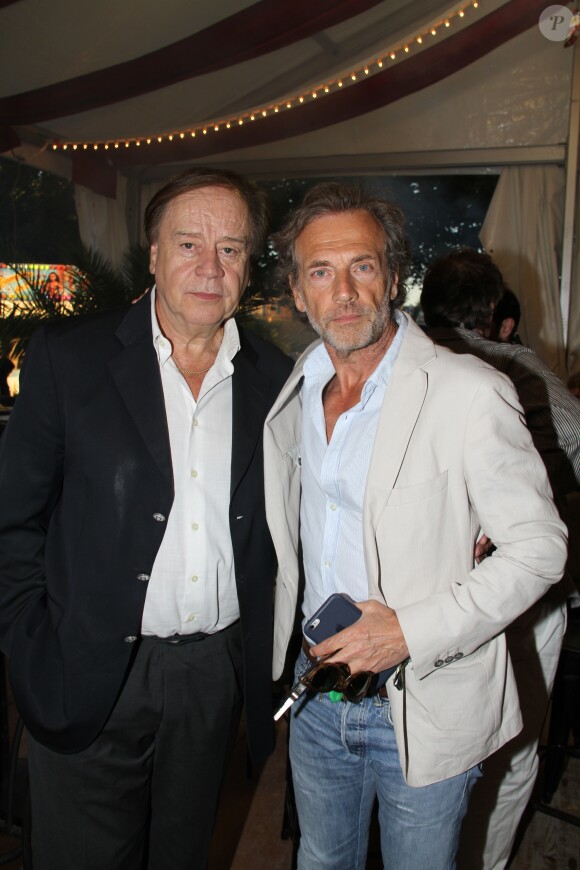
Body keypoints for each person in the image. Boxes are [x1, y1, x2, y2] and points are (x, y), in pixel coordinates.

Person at [263, 183, 567, 870]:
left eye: (362, 266)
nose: (343, 290)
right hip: (317, 693)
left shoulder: (469, 392)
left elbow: (541, 549)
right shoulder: (296, 386)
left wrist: (408, 630)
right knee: (319, 860)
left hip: (427, 699)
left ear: (395, 278)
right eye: (320, 271)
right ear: (297, 291)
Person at [0, 167, 293, 870]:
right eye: (188, 243)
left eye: (229, 249)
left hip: (211, 676)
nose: (208, 266)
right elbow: (11, 521)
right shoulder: (71, 361)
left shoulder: (274, 380)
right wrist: (32, 649)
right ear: (153, 253)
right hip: (85, 666)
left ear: (247, 268)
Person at [421, 247, 580, 870]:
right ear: (492, 311)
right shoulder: (522, 371)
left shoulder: (400, 369)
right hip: (523, 594)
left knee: (426, 747)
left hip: (426, 593)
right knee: (511, 753)